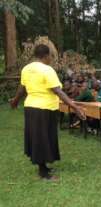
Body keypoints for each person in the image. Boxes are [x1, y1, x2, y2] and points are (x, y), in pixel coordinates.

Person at [10, 44, 85, 180]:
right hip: (44, 109)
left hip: (31, 108)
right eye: (50, 56)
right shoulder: (47, 70)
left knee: (39, 138)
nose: (51, 59)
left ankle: (43, 166)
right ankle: (43, 173)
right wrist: (75, 107)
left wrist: (15, 100)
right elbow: (58, 91)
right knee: (43, 138)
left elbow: (22, 88)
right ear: (46, 56)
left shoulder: (26, 68)